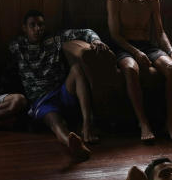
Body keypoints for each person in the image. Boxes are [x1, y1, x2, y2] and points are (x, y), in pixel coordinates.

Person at [7, 10, 110, 161]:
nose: (37, 29)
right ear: (24, 28)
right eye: (32, 25)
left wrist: (95, 40)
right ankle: (72, 144)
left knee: (76, 69)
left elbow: (86, 32)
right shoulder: (17, 46)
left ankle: (88, 124)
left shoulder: (54, 39)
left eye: (40, 24)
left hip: (62, 91)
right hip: (42, 100)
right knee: (56, 123)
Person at [107, 0, 172, 141]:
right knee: (131, 69)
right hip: (124, 46)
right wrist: (136, 53)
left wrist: (171, 51)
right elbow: (115, 35)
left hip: (147, 45)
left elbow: (160, 32)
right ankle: (144, 123)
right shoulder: (115, 0)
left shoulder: (152, 0)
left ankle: (170, 122)